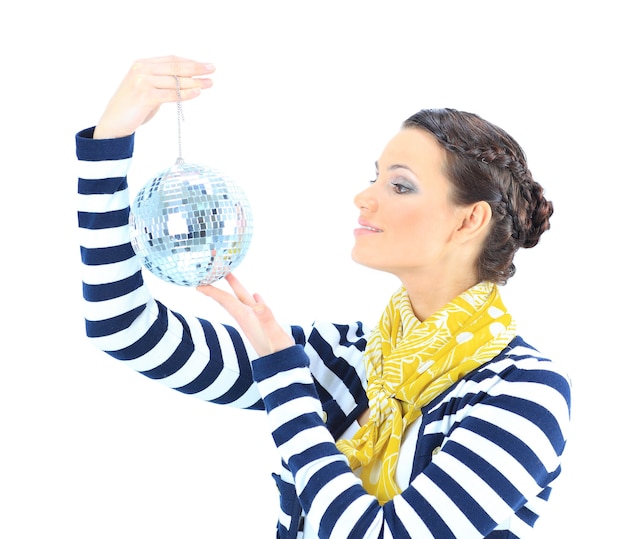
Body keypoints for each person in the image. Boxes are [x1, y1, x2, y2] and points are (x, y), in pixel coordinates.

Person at [76, 55, 571, 538]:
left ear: (469, 220)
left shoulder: (524, 391)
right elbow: (125, 328)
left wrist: (286, 381)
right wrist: (110, 141)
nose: (365, 196)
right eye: (373, 175)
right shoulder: (350, 357)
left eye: (400, 185)